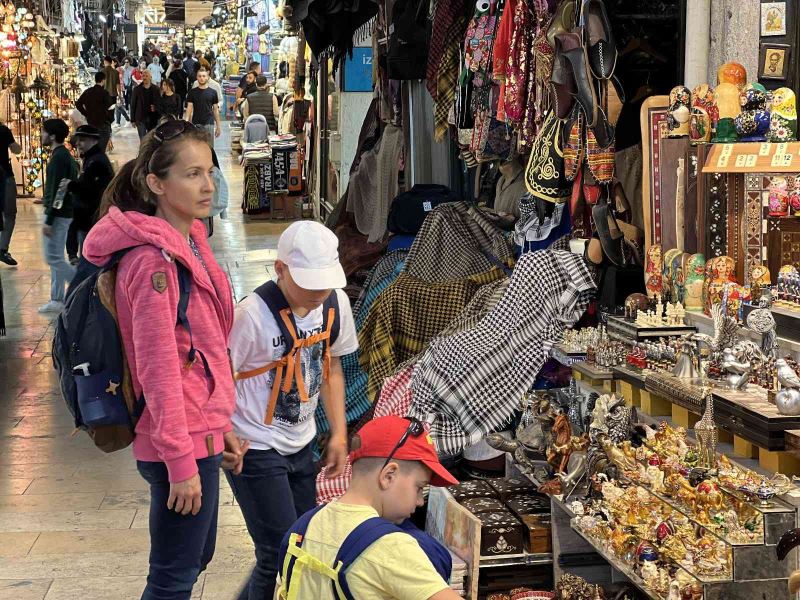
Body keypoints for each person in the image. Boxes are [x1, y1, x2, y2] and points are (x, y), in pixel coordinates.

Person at [81, 119, 244, 600]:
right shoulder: (154, 262)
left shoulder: (188, 242)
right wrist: (180, 462)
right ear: (156, 183)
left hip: (199, 431)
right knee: (172, 577)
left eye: (209, 172)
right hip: (178, 440)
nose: (207, 185)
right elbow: (158, 368)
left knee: (193, 560)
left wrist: (220, 424)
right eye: (192, 174)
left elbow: (202, 350)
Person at [227, 220, 358, 599]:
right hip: (253, 447)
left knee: (300, 544)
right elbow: (218, 377)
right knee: (277, 553)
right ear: (280, 269)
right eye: (308, 281)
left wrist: (337, 434)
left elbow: (331, 367)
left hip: (302, 443)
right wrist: (222, 432)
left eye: (324, 280)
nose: (318, 291)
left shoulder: (335, 303)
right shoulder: (250, 315)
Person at [276, 416, 461, 600]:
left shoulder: (303, 527)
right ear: (389, 475)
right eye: (419, 488)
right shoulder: (391, 547)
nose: (420, 501)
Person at [38, 119, 78, 313]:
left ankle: (78, 285)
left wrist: (50, 217)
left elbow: (60, 189)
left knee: (53, 257)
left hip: (59, 214)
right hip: (61, 212)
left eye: (44, 132)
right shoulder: (62, 156)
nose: (41, 135)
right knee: (56, 257)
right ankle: (57, 298)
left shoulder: (59, 158)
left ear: (52, 135)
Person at [64, 125, 114, 265]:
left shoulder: (96, 161)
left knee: (88, 257)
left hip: (91, 217)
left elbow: (90, 189)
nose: (78, 143)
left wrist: (71, 186)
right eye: (77, 140)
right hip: (88, 217)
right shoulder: (92, 158)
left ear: (94, 141)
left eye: (82, 140)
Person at [75, 71, 114, 152]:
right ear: (103, 81)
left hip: (91, 123)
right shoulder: (104, 93)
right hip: (103, 123)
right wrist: (110, 120)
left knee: (93, 148)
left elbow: (78, 103)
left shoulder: (88, 92)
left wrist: (86, 114)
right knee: (101, 150)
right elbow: (110, 108)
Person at [0, 120, 21, 266]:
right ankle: (2, 248)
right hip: (5, 175)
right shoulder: (3, 131)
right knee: (9, 214)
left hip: (4, 176)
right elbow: (16, 150)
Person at [186, 68, 221, 144]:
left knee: (209, 149)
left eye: (204, 76)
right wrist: (185, 123)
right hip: (196, 124)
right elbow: (189, 108)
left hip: (209, 124)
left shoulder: (213, 92)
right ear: (197, 77)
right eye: (200, 76)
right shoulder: (192, 92)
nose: (202, 78)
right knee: (196, 148)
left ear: (207, 77)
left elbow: (215, 110)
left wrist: (218, 126)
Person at [130, 69, 161, 139]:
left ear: (150, 77)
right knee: (143, 139)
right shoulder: (136, 89)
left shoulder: (156, 89)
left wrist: (156, 108)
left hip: (153, 118)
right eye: (143, 76)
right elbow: (133, 104)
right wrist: (132, 120)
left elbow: (160, 103)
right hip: (140, 118)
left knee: (151, 139)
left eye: (147, 76)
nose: (145, 77)